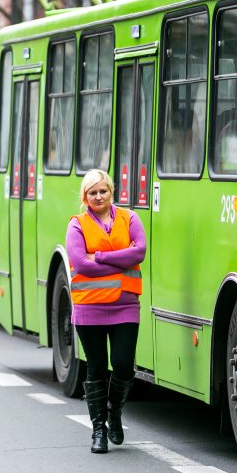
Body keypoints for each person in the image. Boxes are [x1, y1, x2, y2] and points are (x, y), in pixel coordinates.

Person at [66, 169, 146, 453]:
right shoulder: (77, 225)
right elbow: (80, 263)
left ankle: (115, 413)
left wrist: (99, 255)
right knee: (97, 368)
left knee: (123, 365)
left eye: (103, 191)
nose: (98, 196)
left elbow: (139, 251)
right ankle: (98, 430)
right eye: (92, 193)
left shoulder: (130, 218)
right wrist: (119, 260)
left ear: (112, 191)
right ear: (84, 197)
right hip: (90, 307)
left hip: (125, 305)